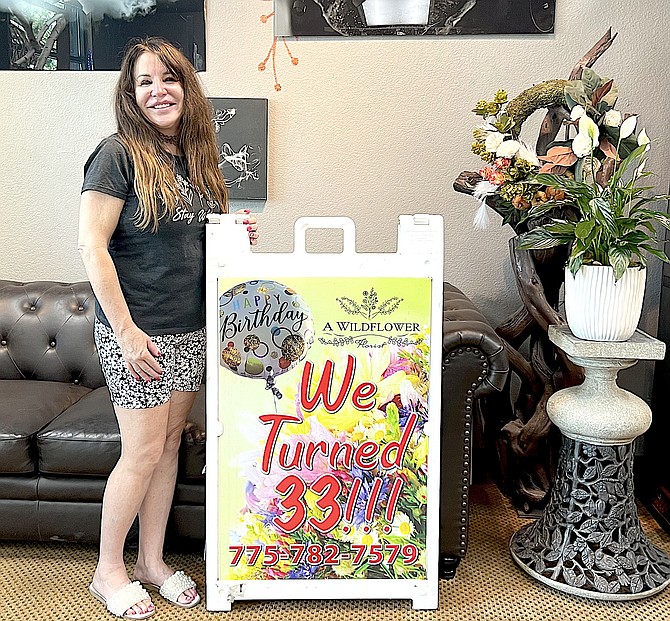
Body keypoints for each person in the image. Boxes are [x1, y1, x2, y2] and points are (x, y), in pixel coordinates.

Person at [78, 37, 258, 619]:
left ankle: (151, 563)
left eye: (169, 79)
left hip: (190, 328)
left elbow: (195, 243)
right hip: (140, 333)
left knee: (171, 446)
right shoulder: (116, 154)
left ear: (187, 85)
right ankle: (108, 572)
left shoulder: (199, 159)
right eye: (145, 83)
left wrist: (237, 237)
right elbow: (93, 247)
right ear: (131, 96)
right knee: (143, 450)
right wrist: (127, 333)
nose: (159, 91)